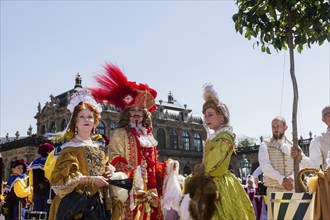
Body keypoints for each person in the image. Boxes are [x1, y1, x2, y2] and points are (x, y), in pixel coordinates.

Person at [89, 63, 182, 220]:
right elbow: (115, 161)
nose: (137, 114)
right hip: (131, 195)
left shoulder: (148, 136)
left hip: (152, 195)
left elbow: (153, 167)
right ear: (126, 113)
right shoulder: (120, 133)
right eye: (133, 110)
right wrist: (135, 172)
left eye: (140, 111)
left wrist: (166, 168)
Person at [181, 84, 255, 220]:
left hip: (219, 185)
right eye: (205, 115)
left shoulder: (225, 136)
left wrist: (195, 177)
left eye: (210, 115)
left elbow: (212, 163)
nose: (206, 118)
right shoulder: (213, 137)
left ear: (221, 117)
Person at [48, 89, 113, 220]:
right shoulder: (69, 148)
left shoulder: (99, 148)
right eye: (81, 116)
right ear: (75, 122)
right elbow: (60, 180)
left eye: (90, 116)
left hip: (98, 205)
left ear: (95, 122)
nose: (86, 120)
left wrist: (108, 173)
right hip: (75, 206)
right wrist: (92, 180)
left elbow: (103, 168)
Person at [258, 116, 294, 220]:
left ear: (285, 127)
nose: (275, 129)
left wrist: (291, 179)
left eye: (278, 126)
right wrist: (282, 179)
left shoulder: (293, 145)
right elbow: (265, 166)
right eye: (273, 126)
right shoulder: (265, 144)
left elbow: (300, 164)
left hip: (291, 189)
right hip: (274, 189)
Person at [291, 105, 330, 170]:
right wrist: (300, 157)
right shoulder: (318, 140)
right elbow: (314, 166)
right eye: (329, 114)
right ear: (323, 119)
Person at [28, 143, 54, 216]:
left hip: (36, 191)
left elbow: (30, 179)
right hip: (49, 192)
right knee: (48, 213)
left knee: (37, 213)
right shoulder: (50, 162)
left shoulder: (34, 163)